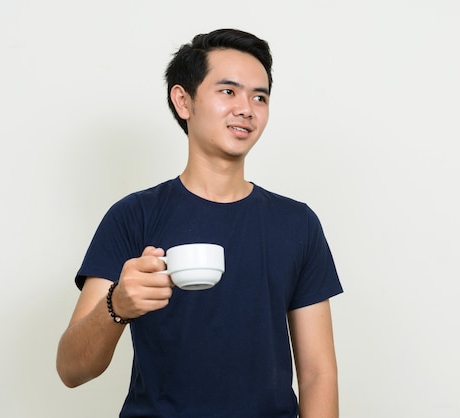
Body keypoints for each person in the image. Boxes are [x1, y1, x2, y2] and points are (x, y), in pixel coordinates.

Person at [56, 28, 343, 418]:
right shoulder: (133, 216)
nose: (247, 108)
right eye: (228, 92)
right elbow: (71, 369)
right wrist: (118, 304)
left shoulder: (297, 224)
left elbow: (317, 374)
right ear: (183, 101)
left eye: (259, 96)